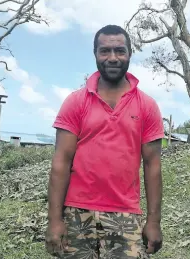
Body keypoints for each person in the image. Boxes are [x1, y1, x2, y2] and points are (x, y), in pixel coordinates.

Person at [45, 25, 165, 258]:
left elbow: (153, 166)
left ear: (130, 54)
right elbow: (61, 163)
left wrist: (153, 221)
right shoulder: (76, 102)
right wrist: (54, 220)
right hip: (76, 214)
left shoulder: (147, 106)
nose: (112, 58)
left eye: (120, 51)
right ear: (95, 54)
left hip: (126, 215)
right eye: (105, 51)